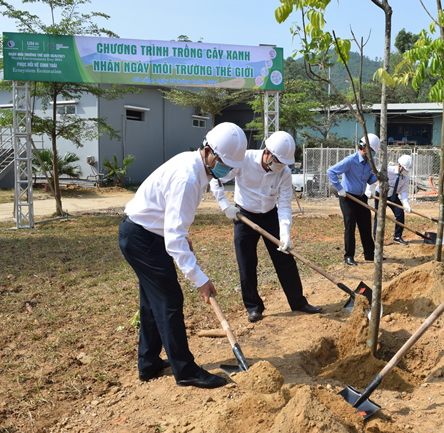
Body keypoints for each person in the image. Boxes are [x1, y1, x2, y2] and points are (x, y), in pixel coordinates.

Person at [118, 122, 247, 389]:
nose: (226, 170)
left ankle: (149, 363)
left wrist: (177, 236)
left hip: (147, 234)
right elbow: (175, 242)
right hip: (142, 238)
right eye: (223, 162)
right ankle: (185, 370)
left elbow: (172, 224)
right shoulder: (188, 178)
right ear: (208, 151)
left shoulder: (194, 166)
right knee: (169, 300)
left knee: (153, 301)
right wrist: (200, 279)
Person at [211, 131, 322, 323]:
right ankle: (254, 307)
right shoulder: (244, 161)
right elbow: (216, 179)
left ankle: (298, 302)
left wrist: (285, 233)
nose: (280, 166)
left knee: (285, 259)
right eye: (278, 161)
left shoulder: (284, 173)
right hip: (244, 216)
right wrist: (225, 206)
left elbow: (285, 203)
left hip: (270, 215)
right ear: (267, 152)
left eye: (284, 163)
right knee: (246, 263)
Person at [327, 133, 379, 266]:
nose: (373, 154)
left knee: (365, 225)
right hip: (347, 197)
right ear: (364, 147)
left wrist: (378, 177)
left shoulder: (368, 164)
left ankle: (370, 255)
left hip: (361, 197)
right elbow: (331, 171)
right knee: (350, 226)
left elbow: (369, 179)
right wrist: (339, 188)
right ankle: (349, 256)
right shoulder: (350, 160)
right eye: (372, 151)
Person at [369, 154, 413, 245]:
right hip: (380, 194)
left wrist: (406, 205)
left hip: (393, 196)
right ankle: (376, 238)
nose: (405, 171)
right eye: (404, 169)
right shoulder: (388, 170)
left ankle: (397, 236)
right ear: (399, 165)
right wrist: (368, 190)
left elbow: (404, 192)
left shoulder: (405, 178)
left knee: (400, 214)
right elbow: (372, 178)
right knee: (379, 215)